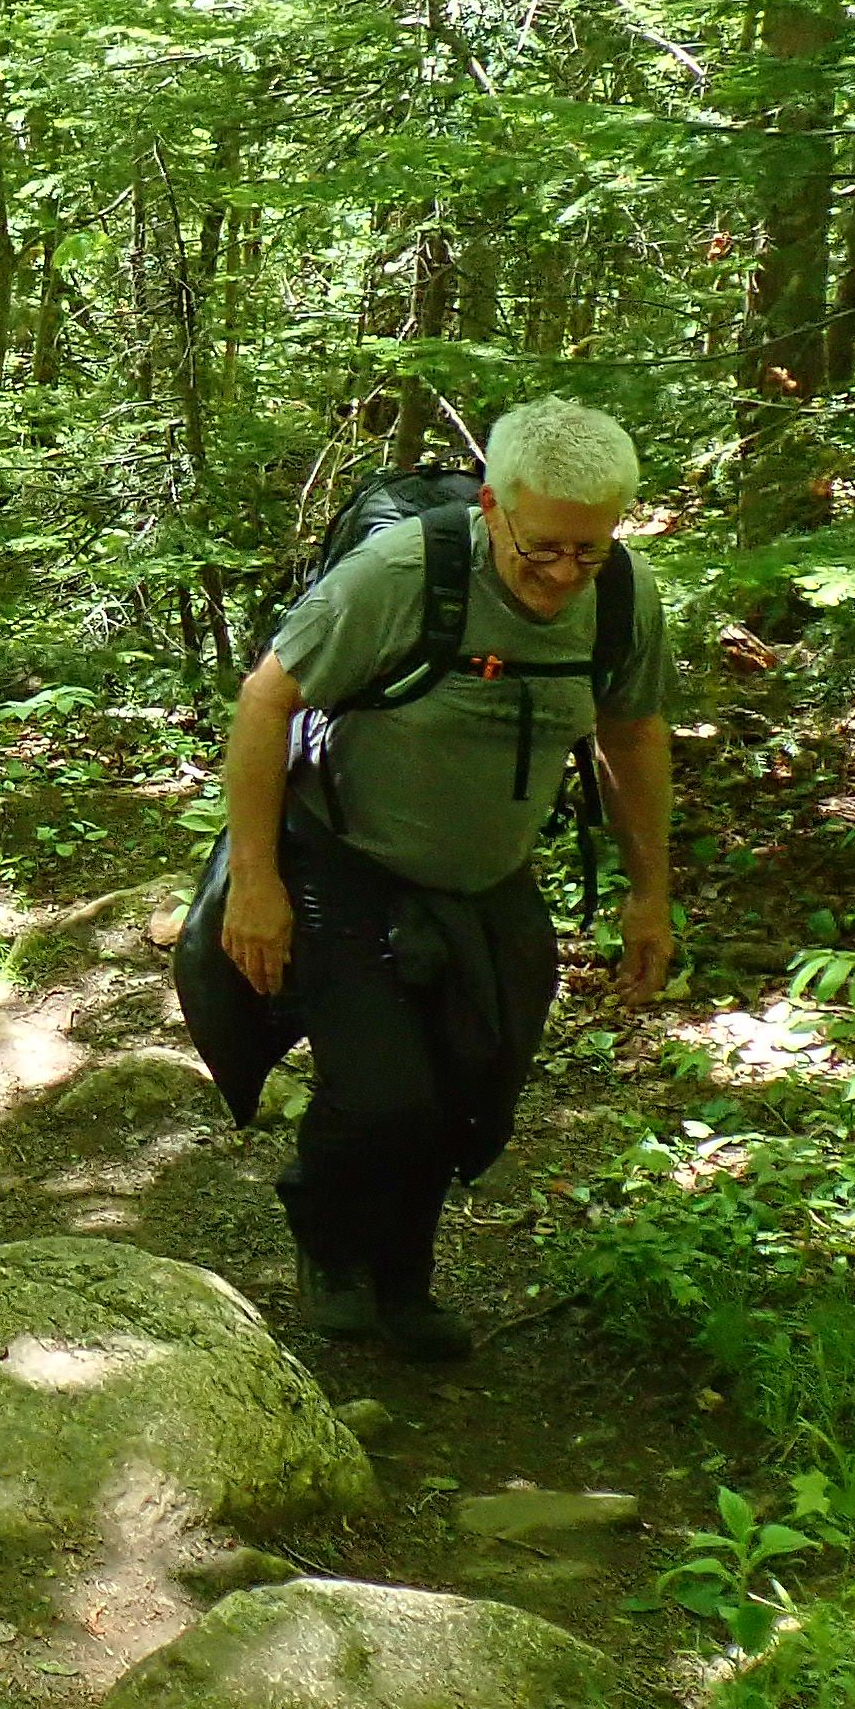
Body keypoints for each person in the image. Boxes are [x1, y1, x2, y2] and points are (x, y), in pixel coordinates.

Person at [214, 397, 674, 1362]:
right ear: (495, 507)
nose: (563, 577)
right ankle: (332, 1243)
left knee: (472, 1088)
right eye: (543, 549)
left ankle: (404, 1279)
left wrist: (650, 892)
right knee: (385, 1094)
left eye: (587, 554)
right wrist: (256, 878)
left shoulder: (623, 596)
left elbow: (632, 732)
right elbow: (267, 698)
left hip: (490, 876)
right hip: (347, 861)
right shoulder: (401, 576)